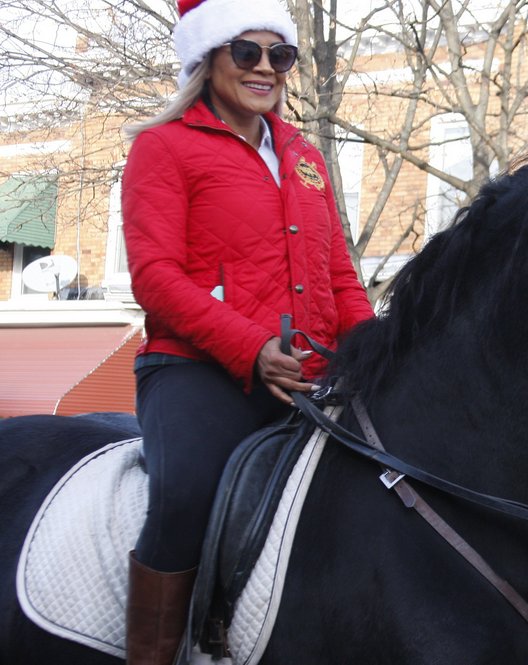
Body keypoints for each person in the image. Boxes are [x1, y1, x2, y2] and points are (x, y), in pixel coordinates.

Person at [120, 1, 374, 662]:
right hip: (193, 370)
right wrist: (251, 347)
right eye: (246, 53)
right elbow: (154, 276)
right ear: (208, 61)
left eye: (279, 55)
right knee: (186, 492)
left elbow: (340, 277)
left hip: (312, 378)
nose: (266, 68)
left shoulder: (306, 158)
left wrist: (378, 355)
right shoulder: (163, 147)